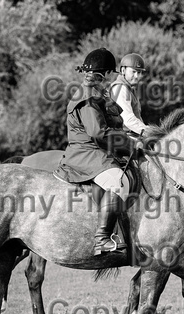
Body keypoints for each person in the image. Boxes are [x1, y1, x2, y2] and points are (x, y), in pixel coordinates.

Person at [55, 48, 138, 255]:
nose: (114, 78)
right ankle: (102, 239)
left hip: (96, 152)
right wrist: (129, 144)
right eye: (113, 73)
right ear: (106, 73)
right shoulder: (88, 97)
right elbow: (98, 132)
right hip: (86, 154)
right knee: (118, 181)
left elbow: (113, 123)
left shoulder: (97, 93)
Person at [109, 53, 148, 137]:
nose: (137, 76)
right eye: (133, 72)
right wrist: (148, 132)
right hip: (123, 137)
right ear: (123, 70)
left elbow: (137, 118)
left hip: (132, 135)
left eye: (139, 72)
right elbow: (128, 119)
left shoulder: (130, 89)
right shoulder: (120, 88)